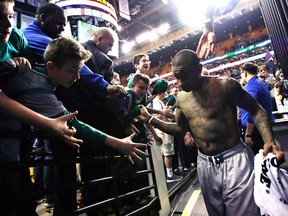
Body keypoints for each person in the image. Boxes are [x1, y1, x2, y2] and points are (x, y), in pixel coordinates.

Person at [0, 36, 147, 216]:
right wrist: (118, 143)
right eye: (72, 71)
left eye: (79, 71)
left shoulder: (37, 76)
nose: (78, 77)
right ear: (51, 67)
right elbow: (75, 124)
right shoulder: (39, 87)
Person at [137, 49, 285, 216]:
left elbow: (257, 111)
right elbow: (180, 130)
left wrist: (269, 141)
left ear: (198, 69)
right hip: (205, 163)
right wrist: (151, 119)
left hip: (234, 158)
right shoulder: (181, 98)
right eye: (175, 77)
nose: (179, 83)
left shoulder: (225, 86)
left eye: (183, 76)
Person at [239, 62, 275, 155]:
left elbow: (253, 111)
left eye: (241, 74)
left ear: (245, 73)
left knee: (259, 160)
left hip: (256, 132)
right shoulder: (260, 83)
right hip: (262, 128)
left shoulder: (251, 86)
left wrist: (248, 134)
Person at [149, 90, 183, 182]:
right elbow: (155, 118)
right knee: (167, 153)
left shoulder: (156, 102)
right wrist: (164, 114)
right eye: (164, 91)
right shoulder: (157, 103)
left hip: (160, 130)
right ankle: (170, 175)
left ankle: (168, 174)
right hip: (162, 130)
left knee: (166, 153)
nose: (165, 94)